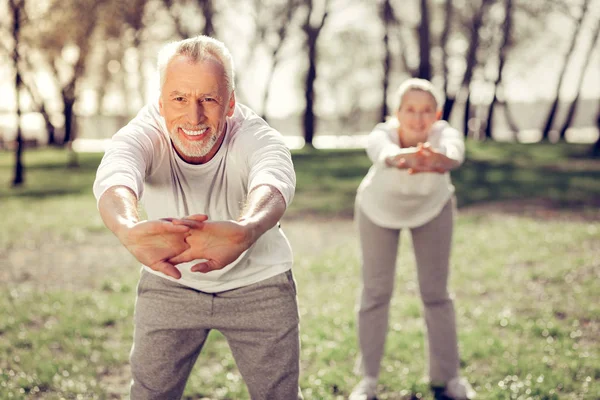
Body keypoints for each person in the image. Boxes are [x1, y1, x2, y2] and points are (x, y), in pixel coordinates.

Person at [93, 35, 302, 400]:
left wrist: (245, 230)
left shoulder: (253, 134)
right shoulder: (145, 132)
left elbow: (274, 176)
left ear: (231, 103)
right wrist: (126, 227)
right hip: (170, 285)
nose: (194, 116)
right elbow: (117, 172)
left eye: (208, 99)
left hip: (260, 285)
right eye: (179, 99)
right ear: (161, 102)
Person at [349, 78, 476, 400]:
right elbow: (380, 150)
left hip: (434, 209)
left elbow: (454, 152)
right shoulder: (384, 134)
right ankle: (368, 380)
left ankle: (448, 377)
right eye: (410, 110)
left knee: (436, 293)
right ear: (397, 113)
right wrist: (401, 157)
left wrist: (440, 159)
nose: (418, 119)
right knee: (376, 292)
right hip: (377, 210)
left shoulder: (443, 134)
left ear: (437, 114)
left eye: (426, 111)